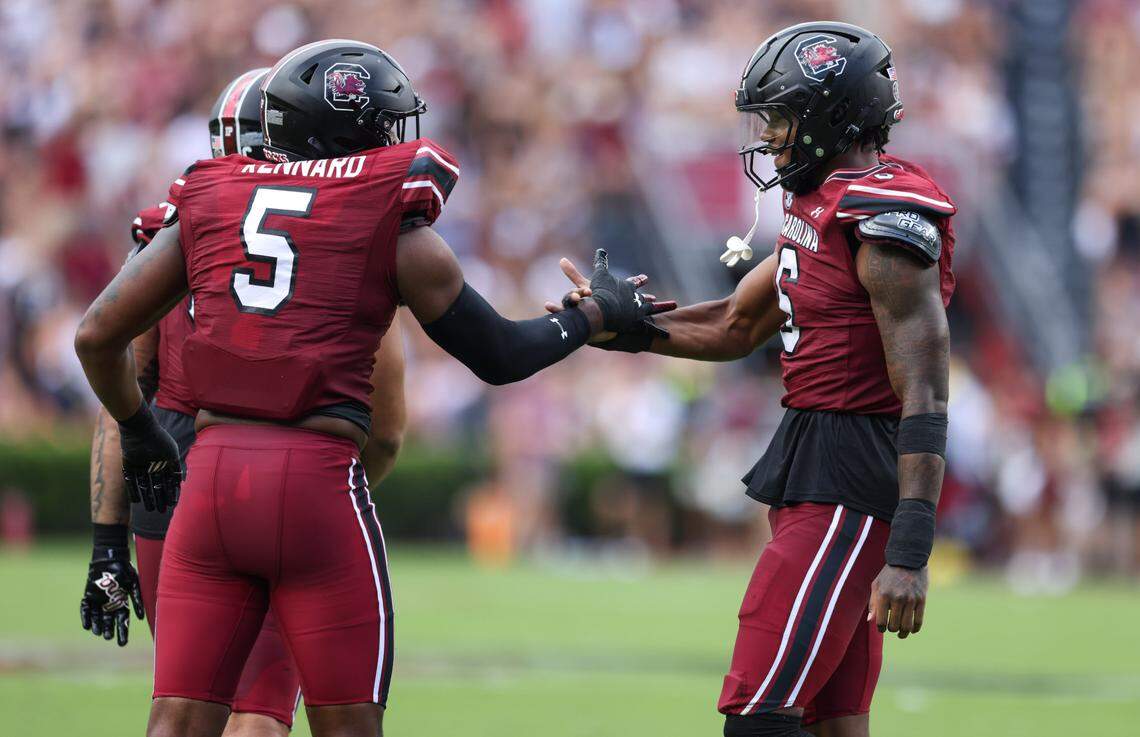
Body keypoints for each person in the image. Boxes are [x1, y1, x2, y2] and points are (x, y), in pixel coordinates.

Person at [74, 39, 670, 737]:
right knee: (343, 724)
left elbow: (94, 336)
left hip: (208, 483)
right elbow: (501, 353)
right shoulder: (385, 222)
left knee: (175, 721)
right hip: (315, 481)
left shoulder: (207, 200)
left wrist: (141, 429)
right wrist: (593, 315)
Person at [554, 21, 954, 737]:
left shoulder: (883, 218)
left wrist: (912, 550)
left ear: (832, 118)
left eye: (782, 117)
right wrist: (626, 324)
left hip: (851, 474)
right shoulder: (820, 202)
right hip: (816, 458)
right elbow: (738, 324)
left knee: (759, 709)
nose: (769, 135)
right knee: (833, 720)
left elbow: (925, 388)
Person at [77, 66, 409, 736]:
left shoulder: (168, 231)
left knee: (180, 715)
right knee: (258, 717)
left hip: (171, 499)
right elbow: (389, 427)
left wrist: (107, 544)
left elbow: (122, 392)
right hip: (281, 481)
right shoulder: (342, 236)